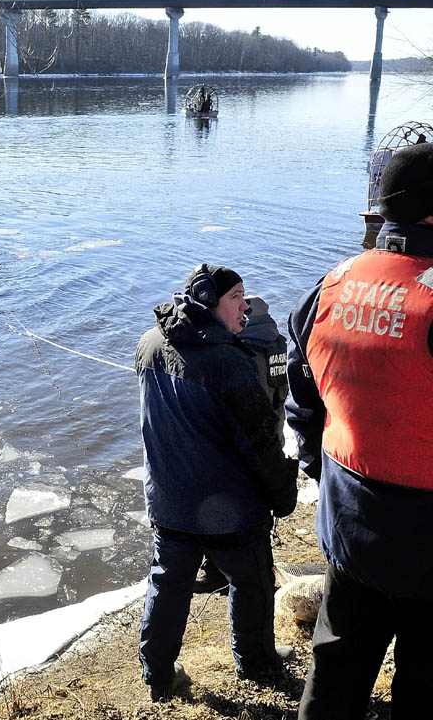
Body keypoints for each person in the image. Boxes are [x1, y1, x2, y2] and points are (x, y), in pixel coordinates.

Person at [287, 142, 433, 719]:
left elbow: (303, 391)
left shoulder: (333, 283)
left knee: (335, 677)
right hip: (426, 540)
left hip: (350, 527)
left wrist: (316, 464)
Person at [136, 264, 298, 702]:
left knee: (167, 584)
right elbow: (261, 441)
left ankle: (158, 677)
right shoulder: (231, 362)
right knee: (252, 581)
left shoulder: (150, 343)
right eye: (236, 297)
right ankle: (257, 662)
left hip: (168, 499)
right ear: (210, 302)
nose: (245, 305)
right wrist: (284, 493)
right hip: (229, 509)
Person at [194, 294, 289, 594]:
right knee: (257, 515)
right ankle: (257, 572)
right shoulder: (277, 343)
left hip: (244, 443)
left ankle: (221, 573)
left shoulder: (241, 348)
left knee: (225, 510)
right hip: (271, 435)